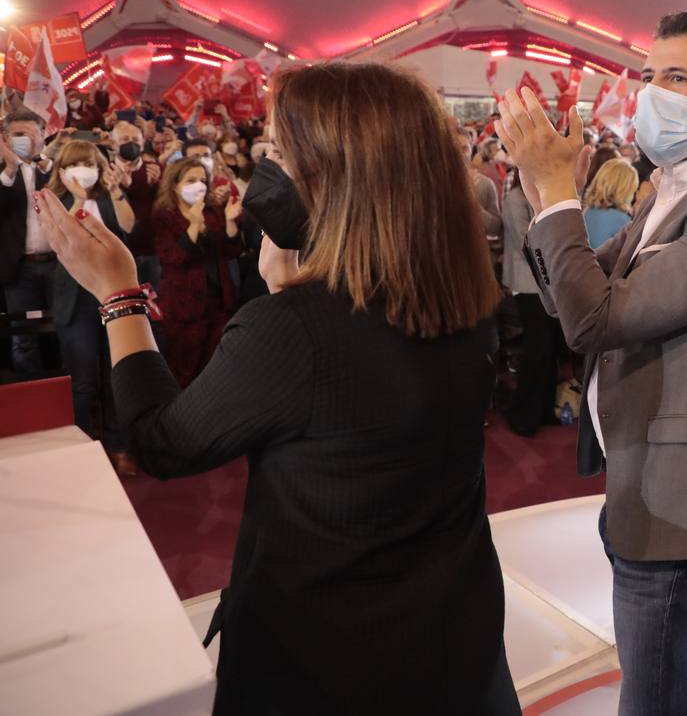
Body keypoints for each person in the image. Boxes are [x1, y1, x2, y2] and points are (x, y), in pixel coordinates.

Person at [33, 62, 519, 715]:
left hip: (324, 663)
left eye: (280, 154)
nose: (264, 171)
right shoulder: (463, 297)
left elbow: (162, 443)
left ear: (332, 177)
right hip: (456, 645)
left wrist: (118, 295)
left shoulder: (295, 330)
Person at [498, 11, 687, 716]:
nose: (650, 92)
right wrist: (546, 192)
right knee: (677, 695)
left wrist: (559, 195)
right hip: (648, 487)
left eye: (675, 77)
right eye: (647, 75)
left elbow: (595, 319)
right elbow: (572, 296)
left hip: (679, 508)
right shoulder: (671, 192)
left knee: (656, 702)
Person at [47, 140, 136, 466]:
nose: (83, 170)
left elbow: (129, 226)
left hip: (111, 292)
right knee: (83, 379)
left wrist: (116, 192)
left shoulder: (107, 197)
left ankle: (120, 445)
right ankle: (84, 445)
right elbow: (59, 238)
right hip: (75, 298)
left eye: (90, 164)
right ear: (63, 169)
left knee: (118, 375)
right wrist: (79, 200)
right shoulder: (55, 199)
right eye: (76, 163)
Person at [151, 159, 245, 386]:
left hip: (219, 304)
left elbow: (232, 250)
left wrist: (231, 222)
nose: (199, 186)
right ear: (175, 184)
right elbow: (174, 258)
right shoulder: (165, 216)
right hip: (184, 308)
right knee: (184, 371)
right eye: (191, 180)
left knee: (216, 370)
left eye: (203, 180)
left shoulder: (212, 211)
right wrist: (193, 224)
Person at [500, 173, 562, 437]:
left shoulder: (544, 193)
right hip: (526, 282)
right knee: (539, 348)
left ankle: (543, 410)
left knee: (550, 348)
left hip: (546, 281)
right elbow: (527, 241)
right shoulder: (515, 198)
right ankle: (523, 414)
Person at [1, 111, 57, 377]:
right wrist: (10, 168)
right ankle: (32, 395)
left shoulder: (56, 168)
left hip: (60, 265)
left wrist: (47, 164)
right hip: (19, 267)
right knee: (23, 339)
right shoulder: (3, 172)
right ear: (6, 138)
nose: (24, 140)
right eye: (17, 135)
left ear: (43, 135)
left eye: (30, 133)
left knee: (66, 329)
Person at [109, 119, 162, 285]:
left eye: (135, 140)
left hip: (152, 250)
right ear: (113, 143)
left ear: (143, 143)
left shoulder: (155, 169)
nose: (130, 144)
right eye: (124, 140)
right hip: (116, 252)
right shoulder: (105, 170)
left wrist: (158, 185)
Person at [582, 157, 639, 248]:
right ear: (624, 190)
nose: (634, 194)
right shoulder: (622, 221)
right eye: (632, 189)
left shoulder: (589, 210)